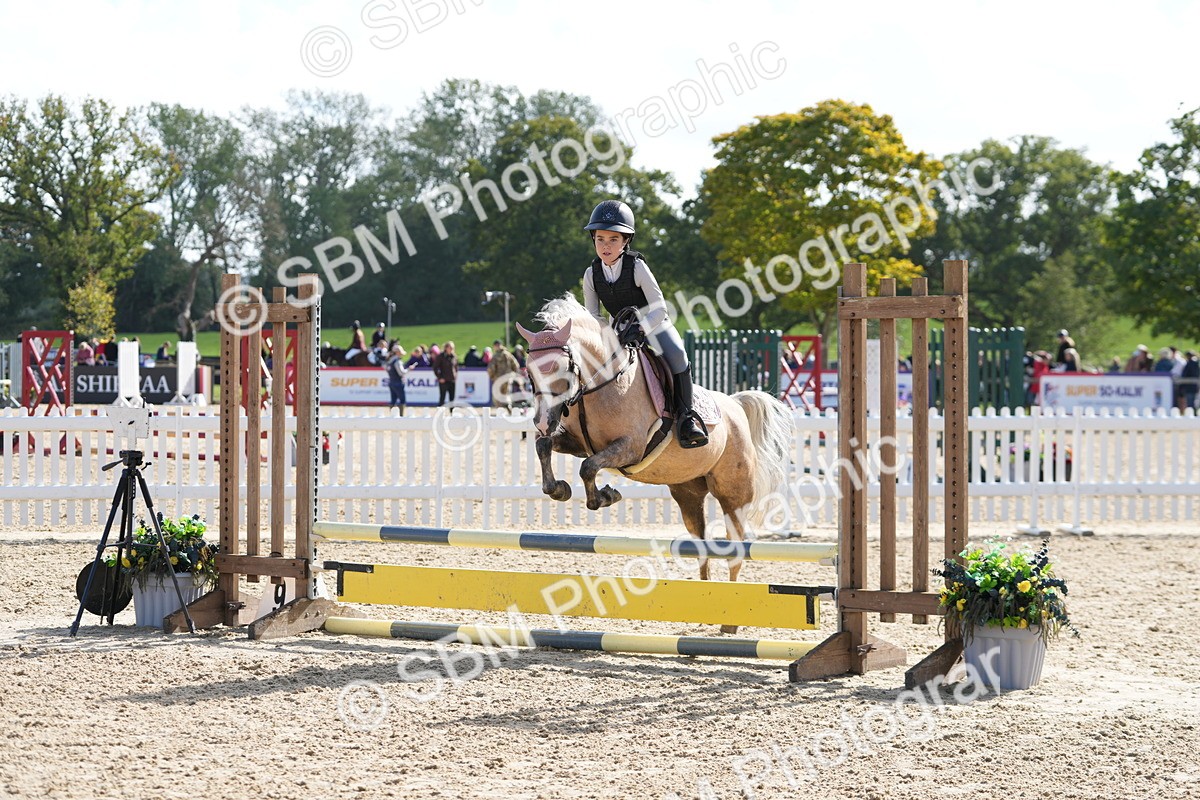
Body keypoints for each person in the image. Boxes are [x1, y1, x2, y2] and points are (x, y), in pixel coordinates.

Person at [581, 199, 708, 447]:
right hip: (618, 331)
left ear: (626, 241)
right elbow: (593, 317)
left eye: (613, 239)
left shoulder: (637, 267)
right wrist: (609, 335)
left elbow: (659, 307)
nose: (606, 246)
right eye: (600, 239)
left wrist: (640, 328)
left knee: (679, 357)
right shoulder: (590, 274)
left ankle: (686, 418)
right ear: (593, 240)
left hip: (654, 324)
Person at [487, 339, 521, 412]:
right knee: (506, 394)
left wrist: (492, 376)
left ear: (495, 346)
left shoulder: (495, 356)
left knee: (497, 395)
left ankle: (500, 411)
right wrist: (513, 374)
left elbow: (491, 368)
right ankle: (509, 406)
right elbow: (516, 365)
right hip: (507, 378)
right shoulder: (508, 354)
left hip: (498, 379)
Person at [432, 341, 458, 406]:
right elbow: (435, 368)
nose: (451, 349)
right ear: (446, 348)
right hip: (444, 380)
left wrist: (455, 375)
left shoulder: (454, 356)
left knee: (452, 399)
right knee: (442, 398)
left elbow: (456, 367)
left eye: (452, 348)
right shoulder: (441, 356)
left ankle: (452, 413)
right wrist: (439, 377)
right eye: (450, 348)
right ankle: (440, 413)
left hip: (452, 380)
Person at [384, 343, 408, 414]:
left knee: (393, 400)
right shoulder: (397, 361)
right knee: (402, 400)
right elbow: (401, 373)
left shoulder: (390, 361)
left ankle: (392, 415)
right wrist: (409, 369)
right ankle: (401, 415)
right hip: (398, 382)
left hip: (392, 382)